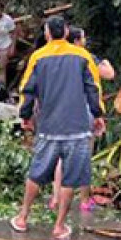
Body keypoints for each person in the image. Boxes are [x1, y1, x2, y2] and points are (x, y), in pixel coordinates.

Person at [11, 16, 105, 240]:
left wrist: (25, 116)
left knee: (37, 172)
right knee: (70, 179)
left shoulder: (38, 56)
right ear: (65, 32)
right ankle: (59, 226)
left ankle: (23, 217)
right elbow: (94, 87)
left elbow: (27, 89)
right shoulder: (82, 56)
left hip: (49, 126)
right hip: (78, 128)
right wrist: (98, 115)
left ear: (46, 34)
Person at [49, 26, 115, 213]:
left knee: (61, 155)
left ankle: (55, 198)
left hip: (61, 109)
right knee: (84, 154)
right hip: (84, 110)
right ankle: (85, 200)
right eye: (83, 38)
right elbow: (108, 74)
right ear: (77, 41)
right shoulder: (86, 57)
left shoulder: (55, 57)